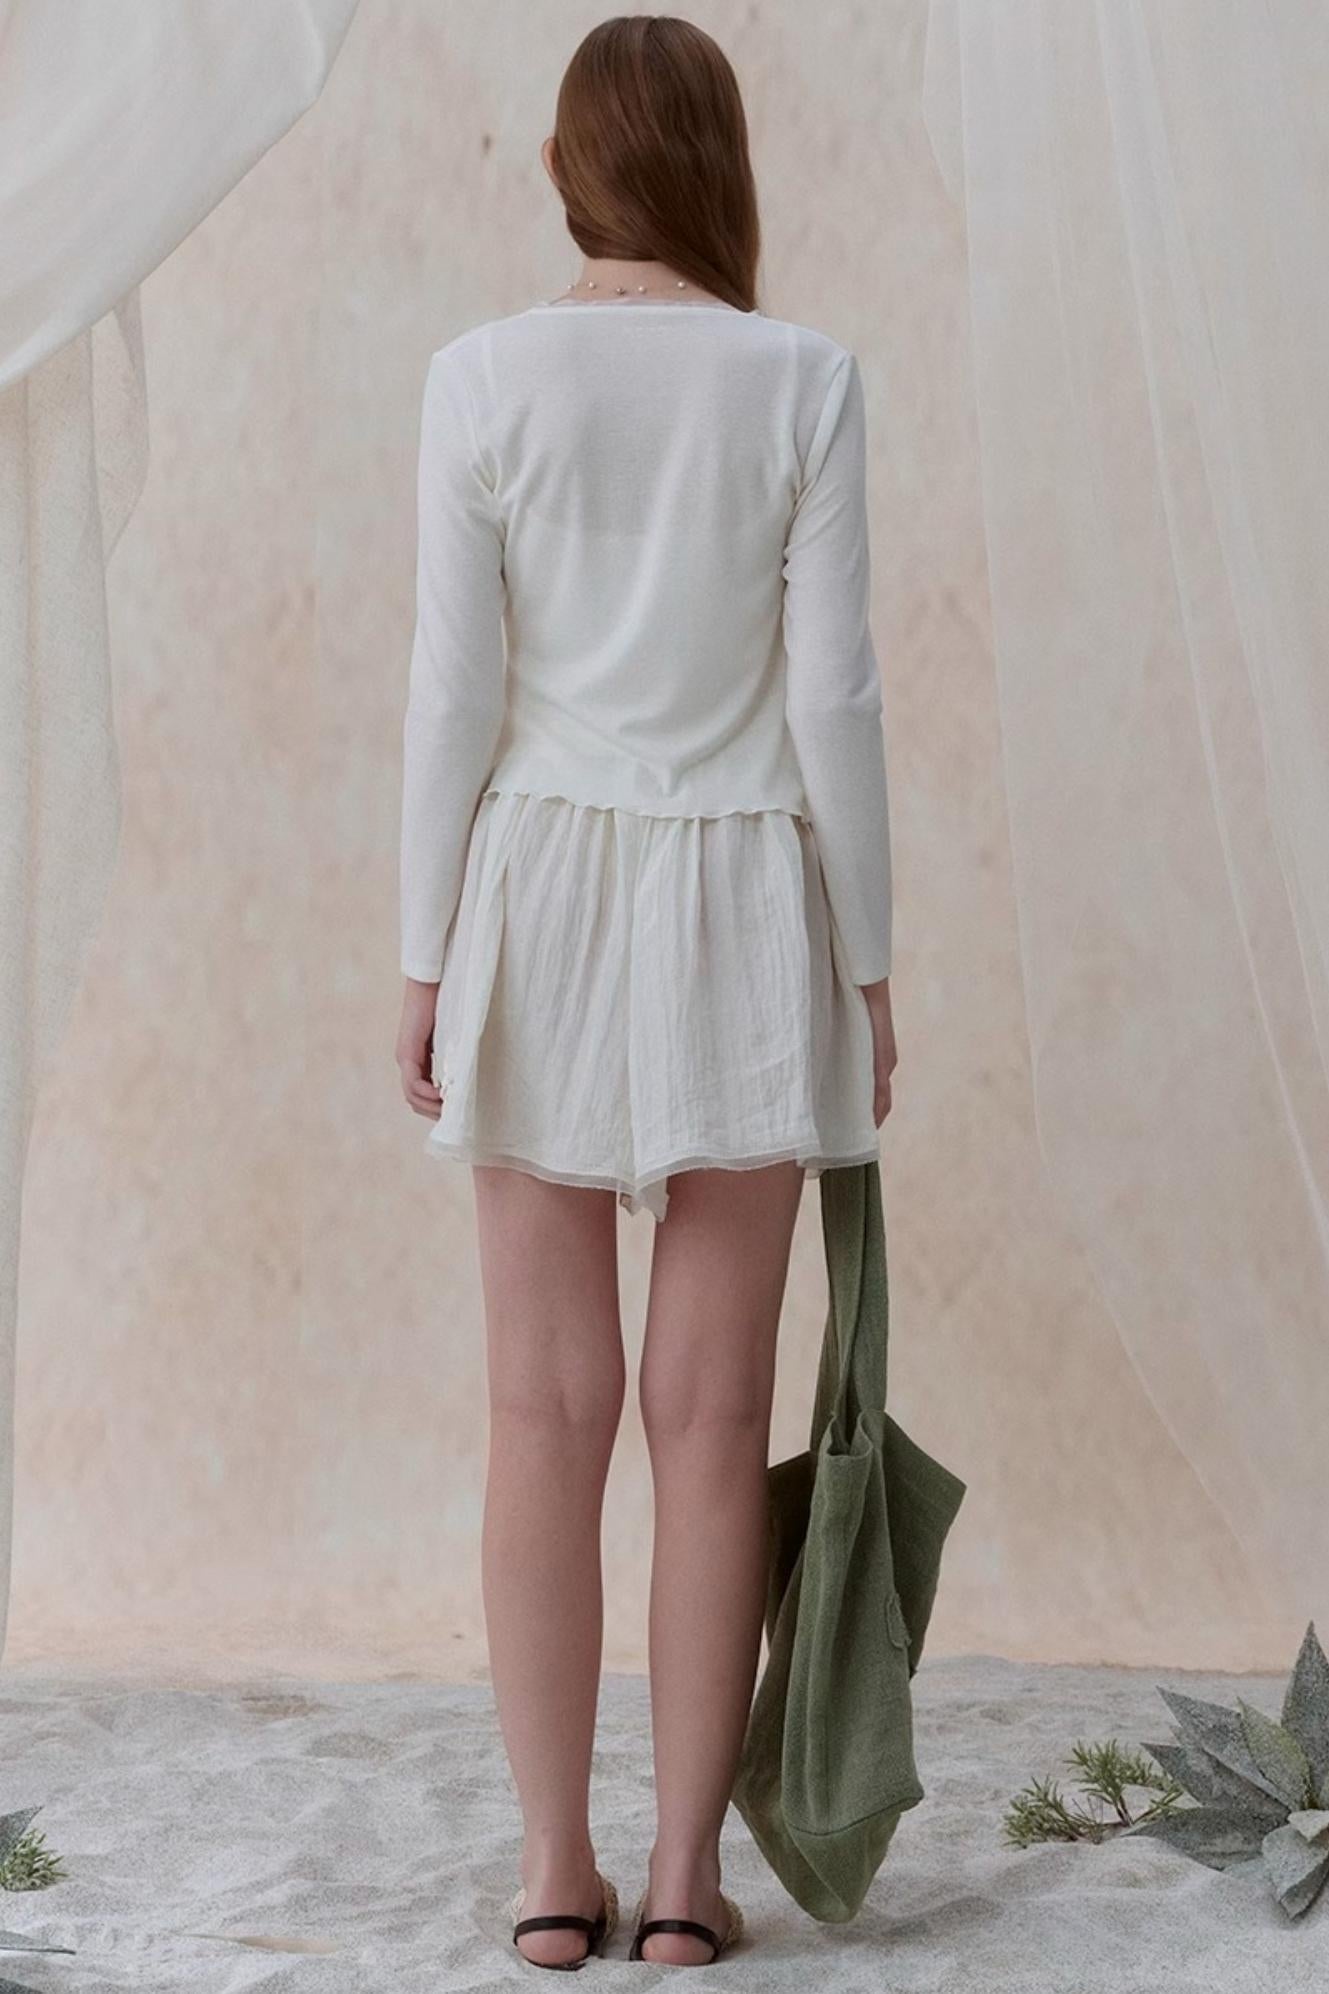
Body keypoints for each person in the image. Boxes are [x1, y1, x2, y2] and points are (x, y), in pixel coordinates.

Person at [395, 14, 896, 1971]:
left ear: (564, 169)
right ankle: (684, 1878)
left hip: (536, 894)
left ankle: (553, 1868)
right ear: (718, 166)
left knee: (540, 1406)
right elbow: (833, 697)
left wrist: (425, 952)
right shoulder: (804, 379)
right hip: (741, 899)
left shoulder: (479, 376)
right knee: (710, 1410)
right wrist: (868, 960)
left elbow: (450, 695)